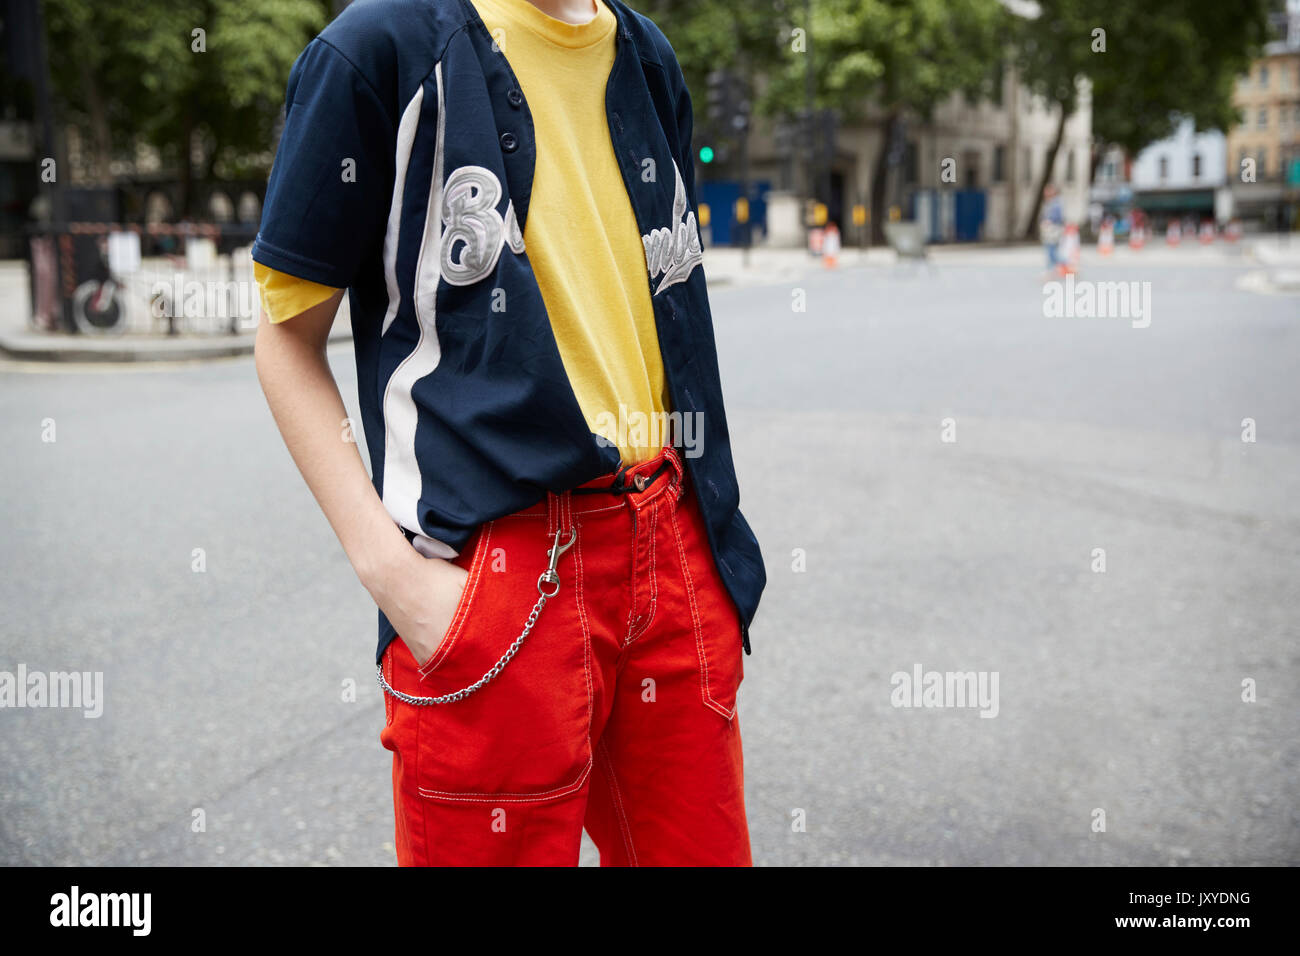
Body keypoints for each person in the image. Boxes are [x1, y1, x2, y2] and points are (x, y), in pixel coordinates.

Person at [250, 0, 765, 866]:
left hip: (668, 539)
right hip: (498, 572)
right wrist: (394, 577)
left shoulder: (648, 56)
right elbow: (286, 338)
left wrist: (702, 569)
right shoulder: (377, 48)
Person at [1040, 183, 1065, 276]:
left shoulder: (1056, 203)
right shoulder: (1050, 202)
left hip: (1053, 230)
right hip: (1050, 230)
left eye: (1048, 191)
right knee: (1051, 250)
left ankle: (1056, 268)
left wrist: (1049, 221)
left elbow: (1057, 217)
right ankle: (1053, 269)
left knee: (1051, 250)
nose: (1045, 193)